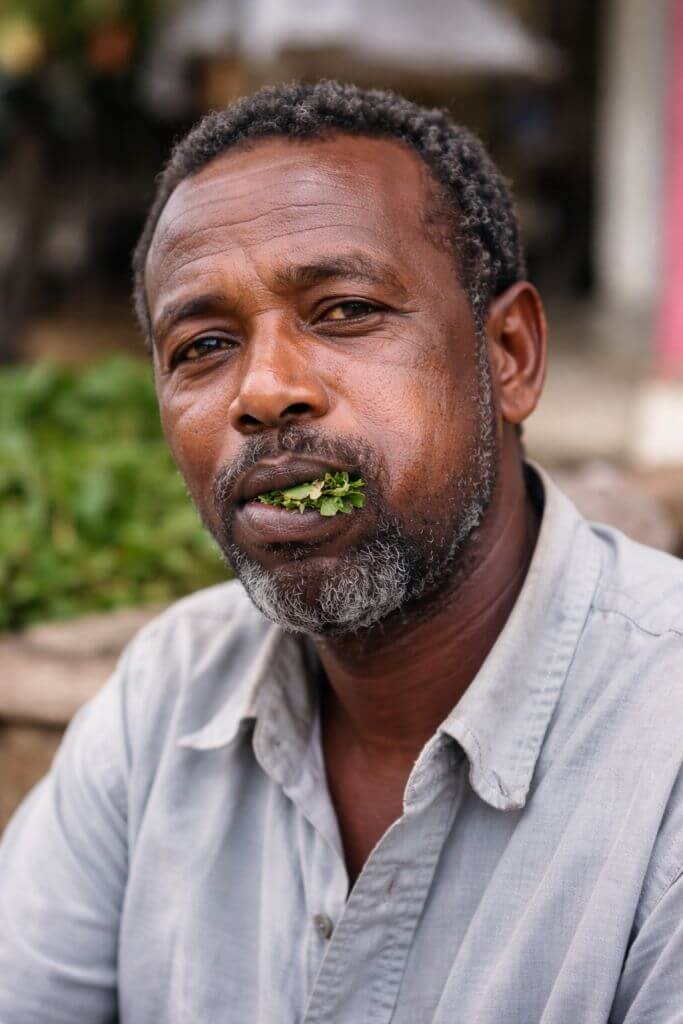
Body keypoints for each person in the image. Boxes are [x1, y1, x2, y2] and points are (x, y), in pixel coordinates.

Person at [1, 80, 682, 1024]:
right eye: (202, 344)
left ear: (511, 356)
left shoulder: (665, 742)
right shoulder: (163, 700)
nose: (265, 390)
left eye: (346, 309)